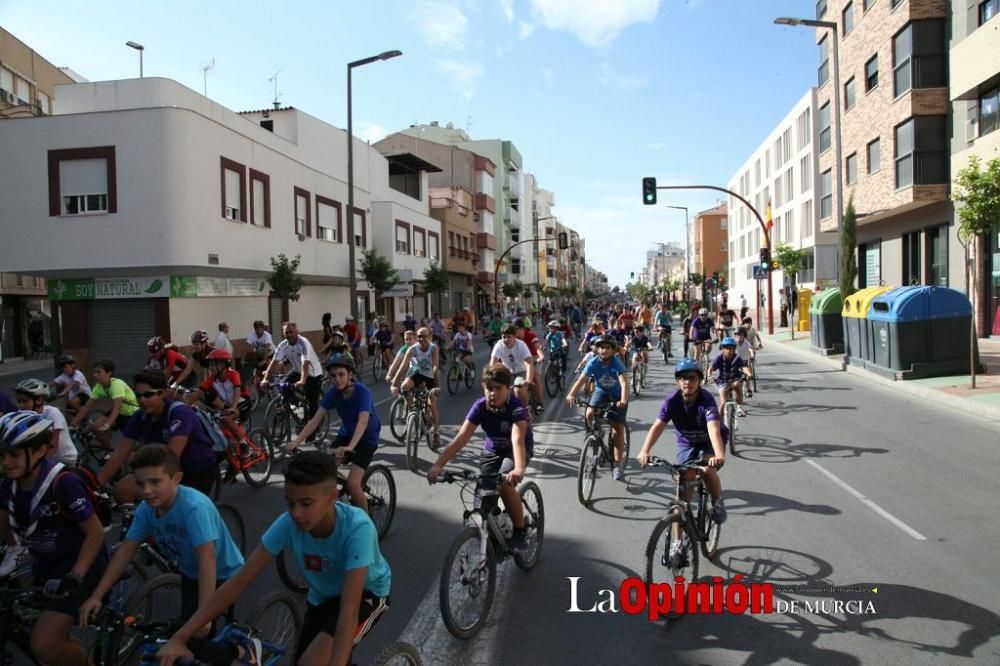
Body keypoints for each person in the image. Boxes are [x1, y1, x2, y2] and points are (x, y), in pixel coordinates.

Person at [156, 452, 391, 666]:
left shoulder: (357, 528)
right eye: (290, 503)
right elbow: (237, 583)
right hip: (323, 597)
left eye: (306, 504)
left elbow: (349, 609)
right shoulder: (288, 524)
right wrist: (180, 638)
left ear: (332, 497)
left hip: (366, 595)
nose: (296, 513)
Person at [80, 445, 247, 665]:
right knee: (184, 633)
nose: (146, 491)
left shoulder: (193, 508)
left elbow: (208, 560)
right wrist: (96, 596)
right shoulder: (147, 509)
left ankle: (241, 650)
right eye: (141, 484)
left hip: (223, 576)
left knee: (194, 641)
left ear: (176, 478)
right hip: (191, 573)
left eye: (155, 482)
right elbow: (125, 552)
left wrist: (204, 614)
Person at [0, 411, 109, 666]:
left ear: (39, 451)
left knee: (45, 645)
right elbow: (3, 524)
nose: (6, 462)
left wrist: (76, 575)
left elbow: (94, 533)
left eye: (14, 455)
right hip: (45, 565)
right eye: (2, 455)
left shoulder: (63, 482)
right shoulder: (9, 485)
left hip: (81, 567)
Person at [428, 364, 533, 552]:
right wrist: (438, 465)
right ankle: (494, 538)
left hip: (516, 451)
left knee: (504, 483)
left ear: (508, 388)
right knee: (486, 498)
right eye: (489, 388)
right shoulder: (480, 406)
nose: (493, 393)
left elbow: (517, 439)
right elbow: (461, 437)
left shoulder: (516, 407)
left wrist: (518, 468)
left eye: (498, 388)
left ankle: (520, 530)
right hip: (492, 450)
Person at [636, 358, 728, 542]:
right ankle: (677, 544)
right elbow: (657, 427)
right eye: (683, 378)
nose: (688, 382)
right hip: (687, 443)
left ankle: (717, 501)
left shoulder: (706, 400)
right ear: (678, 381)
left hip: (709, 441)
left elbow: (714, 430)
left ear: (699, 380)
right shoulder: (671, 401)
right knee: (682, 491)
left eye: (692, 378)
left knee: (706, 469)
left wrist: (719, 455)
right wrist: (644, 450)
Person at [98, 370, 219, 502]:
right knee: (121, 490)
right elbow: (119, 454)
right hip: (162, 467)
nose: (142, 400)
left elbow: (171, 457)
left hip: (195, 471)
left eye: (148, 395)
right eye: (138, 395)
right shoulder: (140, 416)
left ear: (162, 393)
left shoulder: (180, 413)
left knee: (178, 509)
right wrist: (96, 485)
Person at [290, 355, 380, 513]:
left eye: (341, 374)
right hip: (346, 434)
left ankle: (367, 527)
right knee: (324, 472)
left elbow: (363, 422)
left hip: (366, 436)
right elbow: (314, 421)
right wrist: (296, 442)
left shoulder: (362, 392)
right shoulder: (333, 393)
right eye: (333, 376)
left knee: (353, 484)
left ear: (350, 375)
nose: (337, 379)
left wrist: (350, 447)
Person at [565, 335, 629, 481]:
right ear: (598, 349)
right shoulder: (593, 362)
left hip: (618, 395)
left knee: (617, 428)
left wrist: (623, 400)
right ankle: (597, 434)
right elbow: (582, 379)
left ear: (613, 350)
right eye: (601, 347)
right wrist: (571, 394)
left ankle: (618, 465)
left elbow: (624, 383)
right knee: (589, 413)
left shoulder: (616, 363)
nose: (604, 350)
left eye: (607, 348)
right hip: (601, 392)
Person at [261, 322, 324, 424]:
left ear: (297, 332)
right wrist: (265, 379)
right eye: (286, 332)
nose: (289, 334)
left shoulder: (303, 343)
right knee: (283, 386)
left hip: (313, 374)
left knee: (312, 402)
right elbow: (274, 362)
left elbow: (305, 363)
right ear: (283, 333)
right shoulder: (283, 345)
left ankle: (314, 430)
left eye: (291, 332)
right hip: (297, 371)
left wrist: (303, 380)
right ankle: (298, 409)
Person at [70, 360, 139, 450]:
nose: (95, 375)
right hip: (119, 412)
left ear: (109, 373)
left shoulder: (116, 384)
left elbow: (116, 408)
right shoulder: (98, 387)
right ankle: (109, 452)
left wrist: (107, 425)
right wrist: (76, 420)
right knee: (96, 428)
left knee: (129, 444)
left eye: (99, 372)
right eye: (94, 372)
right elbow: (87, 406)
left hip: (131, 413)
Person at [389, 327, 441, 446]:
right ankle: (412, 409)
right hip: (419, 373)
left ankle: (436, 432)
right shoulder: (412, 349)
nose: (421, 339)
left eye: (424, 336)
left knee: (431, 402)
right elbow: (402, 367)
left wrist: (437, 386)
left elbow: (435, 368)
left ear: (430, 336)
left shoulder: (433, 348)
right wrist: (394, 384)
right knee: (405, 386)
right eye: (419, 336)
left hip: (431, 376)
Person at [13, 378, 77, 465]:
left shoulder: (53, 413)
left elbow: (53, 444)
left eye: (24, 401)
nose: (20, 405)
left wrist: (40, 465)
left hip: (65, 458)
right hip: (44, 458)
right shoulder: (24, 415)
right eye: (18, 401)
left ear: (38, 400)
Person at [490, 325, 537, 409]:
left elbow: (529, 364)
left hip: (521, 371)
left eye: (509, 337)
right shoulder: (499, 345)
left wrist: (528, 381)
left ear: (515, 336)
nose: (506, 340)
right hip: (507, 372)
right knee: (501, 391)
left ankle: (525, 409)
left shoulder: (521, 345)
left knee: (518, 390)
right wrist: (490, 379)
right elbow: (493, 364)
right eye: (504, 337)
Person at [710, 337, 752, 417]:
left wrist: (749, 374)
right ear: (723, 349)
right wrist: (709, 376)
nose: (729, 350)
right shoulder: (719, 358)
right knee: (722, 403)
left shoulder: (737, 358)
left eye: (731, 348)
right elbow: (710, 369)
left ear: (734, 349)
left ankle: (739, 407)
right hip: (723, 381)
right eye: (726, 348)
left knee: (737, 384)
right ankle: (720, 425)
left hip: (734, 379)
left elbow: (744, 367)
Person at [513, 319, 545, 412]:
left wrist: (541, 356)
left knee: (535, 377)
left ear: (522, 328)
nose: (514, 331)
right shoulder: (514, 338)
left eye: (516, 329)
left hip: (534, 357)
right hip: (522, 359)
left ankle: (540, 402)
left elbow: (537, 347)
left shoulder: (531, 335)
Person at [243, 319, 275, 385]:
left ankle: (271, 378)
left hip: (270, 352)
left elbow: (266, 348)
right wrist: (242, 359)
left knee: (268, 363)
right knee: (254, 363)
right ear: (255, 329)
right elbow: (246, 347)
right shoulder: (252, 335)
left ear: (263, 328)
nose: (259, 329)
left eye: (260, 328)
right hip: (260, 354)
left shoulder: (267, 335)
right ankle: (254, 379)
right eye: (257, 328)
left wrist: (264, 360)